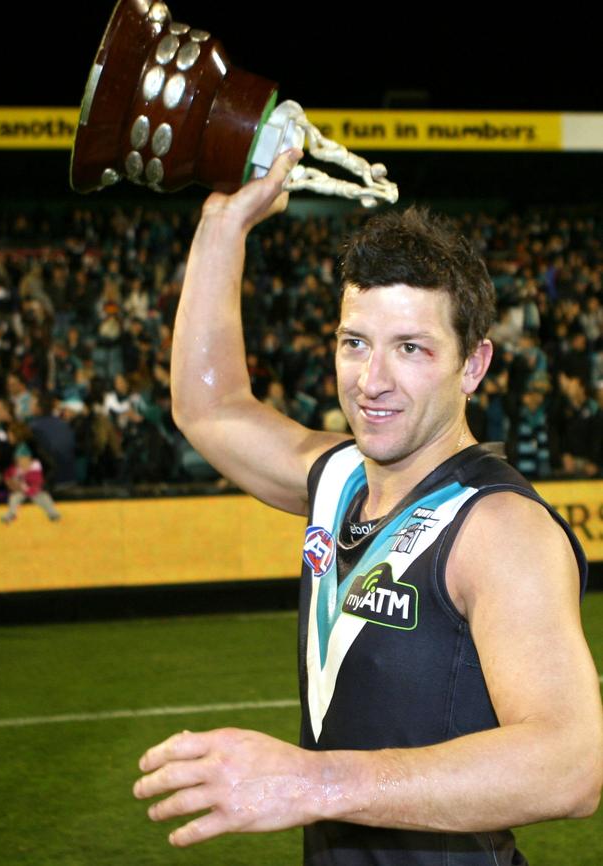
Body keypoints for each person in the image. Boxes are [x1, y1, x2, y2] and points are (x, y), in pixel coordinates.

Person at [132, 151, 603, 865]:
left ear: (472, 365)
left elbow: (571, 765)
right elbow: (210, 406)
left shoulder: (498, 527)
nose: (372, 381)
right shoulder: (338, 476)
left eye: (411, 349)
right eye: (356, 344)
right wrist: (222, 225)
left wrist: (312, 781)